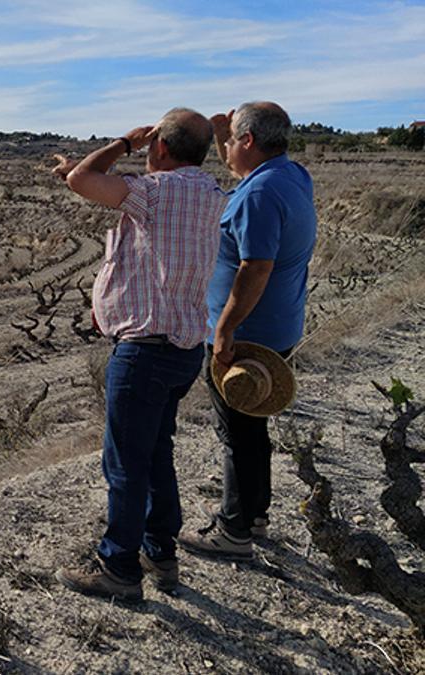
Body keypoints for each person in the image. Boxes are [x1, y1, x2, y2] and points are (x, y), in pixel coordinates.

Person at [50, 109, 226, 601]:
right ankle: (160, 553)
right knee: (155, 454)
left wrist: (124, 142)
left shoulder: (155, 192)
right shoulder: (211, 195)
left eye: (152, 144)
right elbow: (87, 180)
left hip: (144, 350)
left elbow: (85, 181)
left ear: (161, 148)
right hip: (184, 349)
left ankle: (119, 569)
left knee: (125, 462)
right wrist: (79, 169)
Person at [178, 101, 317, 561]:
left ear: (250, 140)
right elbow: (242, 168)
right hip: (278, 327)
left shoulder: (257, 195)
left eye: (233, 139)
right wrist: (223, 132)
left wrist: (224, 330)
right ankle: (255, 512)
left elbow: (255, 267)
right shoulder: (291, 176)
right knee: (253, 421)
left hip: (247, 333)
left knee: (236, 430)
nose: (226, 150)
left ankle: (233, 531)